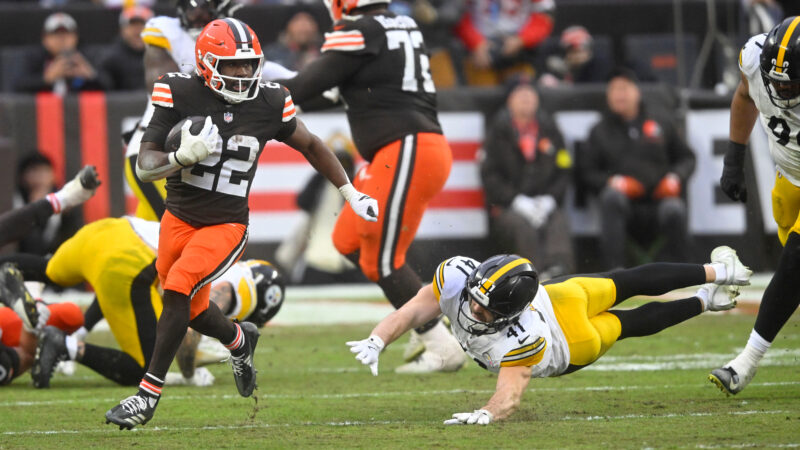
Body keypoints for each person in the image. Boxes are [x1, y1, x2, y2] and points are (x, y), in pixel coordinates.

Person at [104, 18, 377, 430]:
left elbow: (311, 144)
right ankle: (239, 338)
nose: (244, 72)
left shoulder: (269, 100)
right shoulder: (176, 90)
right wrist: (179, 158)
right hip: (177, 217)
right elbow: (145, 165)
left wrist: (350, 193)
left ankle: (146, 396)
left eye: (249, 64)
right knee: (192, 310)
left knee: (177, 288)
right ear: (206, 63)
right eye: (233, 64)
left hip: (226, 224)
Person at [347, 247, 752, 424]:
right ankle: (715, 280)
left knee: (629, 319)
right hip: (559, 296)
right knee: (626, 283)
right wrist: (378, 339)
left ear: (509, 314)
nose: (473, 310)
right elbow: (411, 311)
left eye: (485, 310)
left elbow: (511, 392)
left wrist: (488, 412)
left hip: (571, 342)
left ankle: (709, 295)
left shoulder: (522, 337)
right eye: (473, 299)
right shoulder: (458, 277)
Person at [277, 0, 466, 374]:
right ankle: (423, 319)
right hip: (401, 151)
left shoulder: (361, 30)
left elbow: (302, 86)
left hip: (408, 148)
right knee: (348, 240)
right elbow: (336, 91)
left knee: (381, 257)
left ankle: (440, 343)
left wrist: (252, 88)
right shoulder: (398, 26)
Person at [14, 216, 285, 389]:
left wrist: (83, 328)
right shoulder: (237, 290)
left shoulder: (229, 258)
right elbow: (190, 327)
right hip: (130, 261)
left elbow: (111, 294)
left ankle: (10, 272)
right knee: (144, 368)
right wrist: (189, 376)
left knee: (41, 270)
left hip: (107, 231)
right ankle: (65, 345)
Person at [127, 0, 293, 222]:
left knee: (150, 232)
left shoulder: (239, 50)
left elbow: (294, 81)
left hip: (197, 161)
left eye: (204, 6)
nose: (196, 13)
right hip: (158, 150)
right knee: (173, 228)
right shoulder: (166, 31)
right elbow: (165, 89)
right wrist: (213, 75)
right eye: (190, 5)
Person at [710, 16, 800, 395]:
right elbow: (746, 94)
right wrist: (734, 158)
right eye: (774, 80)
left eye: (789, 83)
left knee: (795, 263)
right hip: (788, 178)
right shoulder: (753, 57)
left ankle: (745, 362)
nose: (779, 88)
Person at [578, 68, 696, 269]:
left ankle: (683, 271)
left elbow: (687, 158)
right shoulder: (599, 131)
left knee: (674, 209)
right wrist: (613, 182)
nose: (619, 95)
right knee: (611, 198)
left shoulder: (660, 122)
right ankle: (615, 272)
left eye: (624, 89)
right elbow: (586, 172)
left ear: (637, 92)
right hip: (624, 208)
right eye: (614, 90)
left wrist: (675, 177)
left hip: (659, 202)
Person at [480, 77, 574, 279]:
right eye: (520, 93)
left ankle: (559, 273)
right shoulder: (498, 131)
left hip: (544, 201)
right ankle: (532, 276)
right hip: (508, 206)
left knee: (557, 219)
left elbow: (564, 168)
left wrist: (550, 198)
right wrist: (516, 200)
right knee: (522, 226)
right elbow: (489, 175)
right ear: (509, 100)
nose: (526, 98)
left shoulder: (550, 129)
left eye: (530, 93)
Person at [13, 155, 98, 256]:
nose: (40, 177)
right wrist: (35, 210)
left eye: (44, 171)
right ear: (23, 177)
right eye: (34, 171)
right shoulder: (15, 201)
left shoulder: (65, 200)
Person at [454, 0, 554, 85]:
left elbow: (545, 17)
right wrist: (476, 43)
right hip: (479, 50)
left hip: (520, 50)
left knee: (521, 89)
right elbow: (457, 15)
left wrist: (522, 39)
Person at [14, 12, 104, 95]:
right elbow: (18, 86)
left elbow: (108, 85)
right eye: (55, 34)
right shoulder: (34, 57)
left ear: (76, 37)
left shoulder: (87, 56)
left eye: (66, 34)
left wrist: (91, 76)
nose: (62, 39)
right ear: (44, 38)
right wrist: (47, 78)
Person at [97, 6, 154, 91]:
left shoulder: (164, 56)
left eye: (142, 25)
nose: (138, 30)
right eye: (133, 25)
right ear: (122, 30)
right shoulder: (110, 58)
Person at [538, 26, 613, 87]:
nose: (577, 56)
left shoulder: (599, 66)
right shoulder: (556, 66)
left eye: (580, 51)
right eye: (573, 52)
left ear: (589, 51)